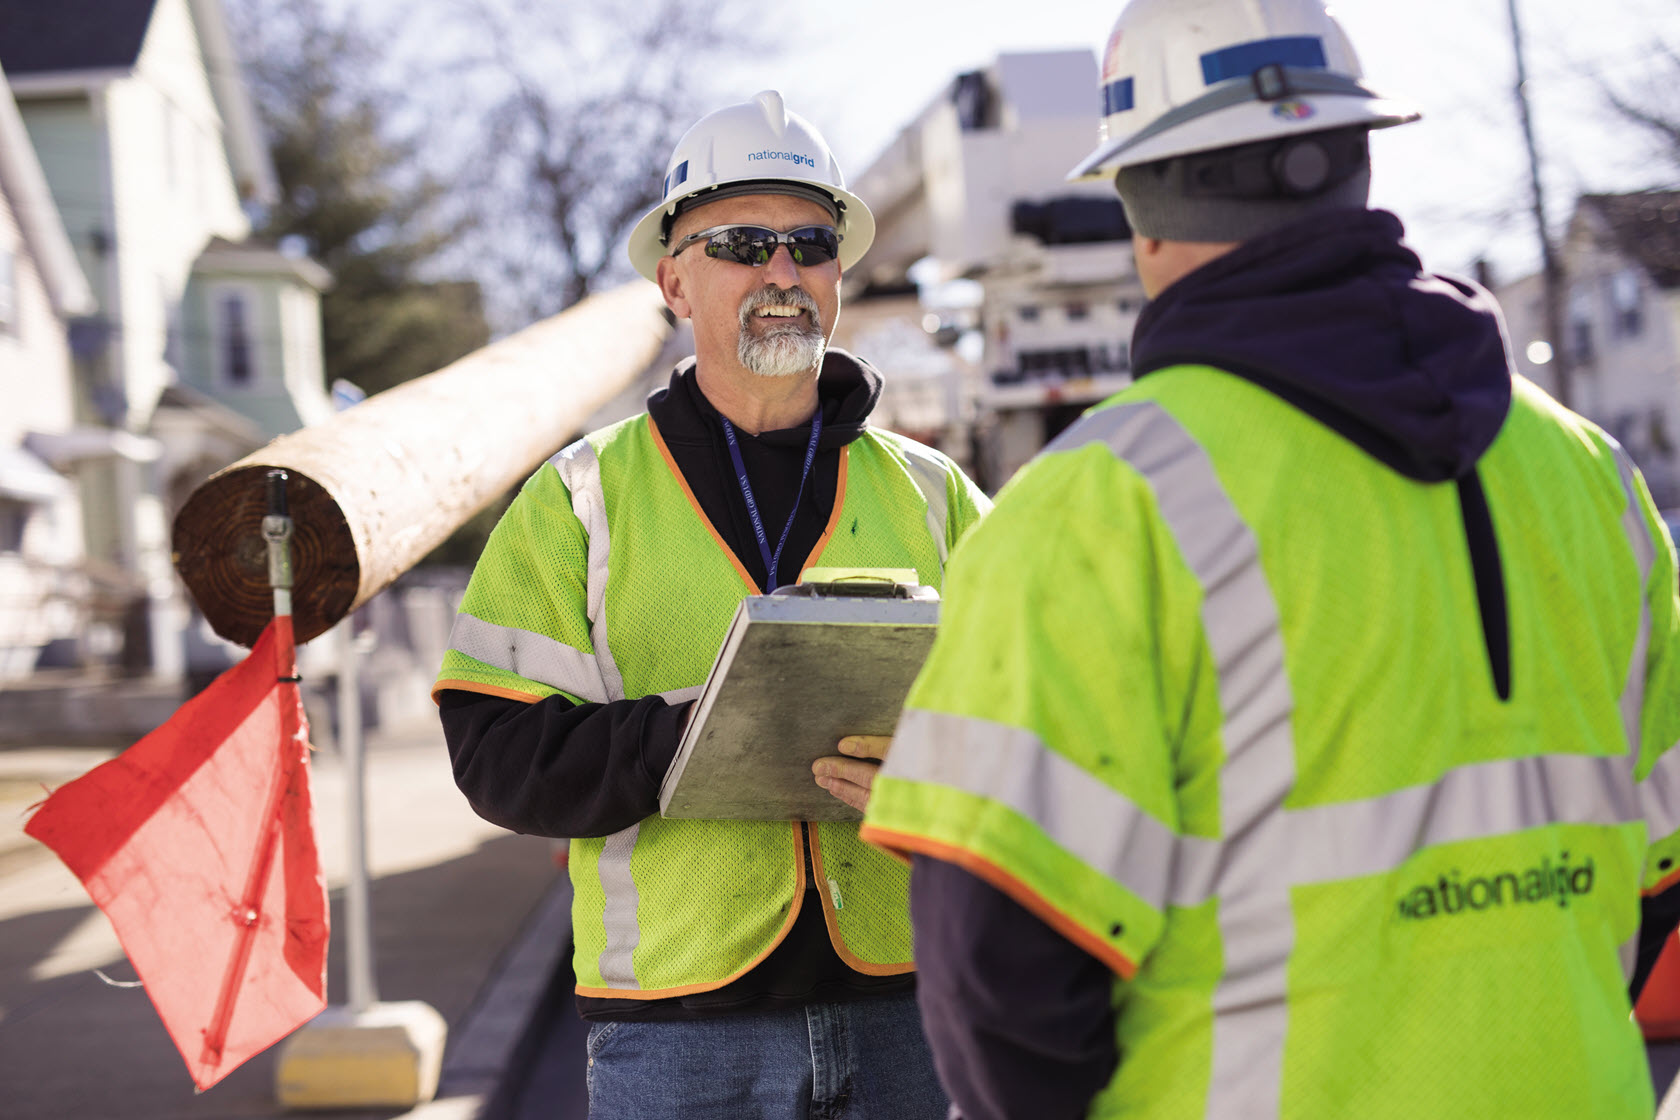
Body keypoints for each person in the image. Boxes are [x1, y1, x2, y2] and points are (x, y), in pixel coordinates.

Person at [859, 2, 1680, 1117]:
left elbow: (995, 969)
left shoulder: (1095, 506)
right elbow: (1661, 880)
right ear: (1356, 162)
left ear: (1140, 206)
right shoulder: (1593, 478)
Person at [434, 89, 988, 1118]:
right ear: (675, 281)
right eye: (741, 243)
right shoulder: (581, 500)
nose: (781, 272)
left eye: (809, 243)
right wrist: (701, 740)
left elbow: (1046, 721)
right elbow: (494, 752)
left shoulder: (936, 493)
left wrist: (945, 766)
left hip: (910, 1013)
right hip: (681, 1039)